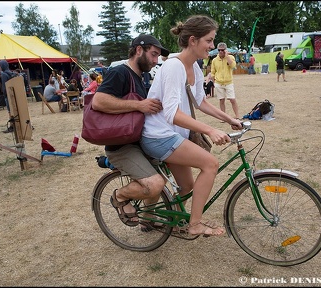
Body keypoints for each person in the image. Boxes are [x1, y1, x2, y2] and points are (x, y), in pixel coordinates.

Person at [140, 15, 242, 237]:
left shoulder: (194, 67)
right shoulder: (174, 66)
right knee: (210, 164)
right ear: (193, 40)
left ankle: (162, 219)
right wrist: (209, 129)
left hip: (172, 136)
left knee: (187, 187)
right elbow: (171, 113)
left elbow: (201, 102)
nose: (213, 46)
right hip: (158, 136)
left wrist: (229, 119)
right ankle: (194, 225)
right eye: (209, 40)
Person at [92, 34, 169, 228]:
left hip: (139, 141)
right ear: (138, 50)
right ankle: (118, 196)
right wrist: (139, 105)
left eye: (158, 56)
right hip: (122, 146)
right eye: (153, 54)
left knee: (164, 175)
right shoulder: (119, 72)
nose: (155, 60)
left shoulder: (141, 76)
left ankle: (147, 220)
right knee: (155, 184)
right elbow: (98, 101)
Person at [211, 42, 240, 119]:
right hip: (218, 83)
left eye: (222, 50)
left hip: (228, 82)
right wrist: (214, 82)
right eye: (219, 50)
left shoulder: (230, 57)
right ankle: (224, 117)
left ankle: (237, 115)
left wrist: (227, 57)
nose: (220, 51)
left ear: (226, 50)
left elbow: (233, 66)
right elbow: (213, 72)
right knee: (221, 100)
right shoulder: (214, 60)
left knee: (232, 99)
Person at [0, 60, 16, 133]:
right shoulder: (11, 73)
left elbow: (5, 86)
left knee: (10, 111)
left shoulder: (4, 74)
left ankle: (12, 126)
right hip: (13, 94)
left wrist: (4, 94)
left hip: (8, 95)